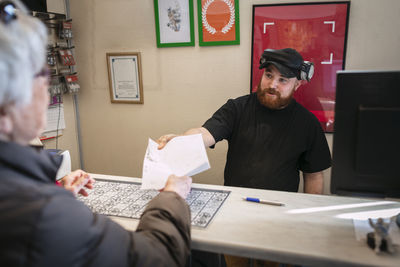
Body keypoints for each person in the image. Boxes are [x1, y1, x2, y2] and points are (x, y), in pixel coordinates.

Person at [0, 1, 192, 266]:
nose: (46, 89)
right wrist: (172, 197)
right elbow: (158, 258)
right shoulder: (42, 215)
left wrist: (55, 190)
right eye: (38, 75)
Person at [158, 48, 331, 266]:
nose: (272, 85)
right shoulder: (237, 109)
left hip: (280, 216)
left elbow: (314, 175)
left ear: (297, 84)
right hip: (234, 211)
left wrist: (309, 220)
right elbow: (206, 133)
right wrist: (182, 141)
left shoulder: (307, 124)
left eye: (283, 80)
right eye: (268, 75)